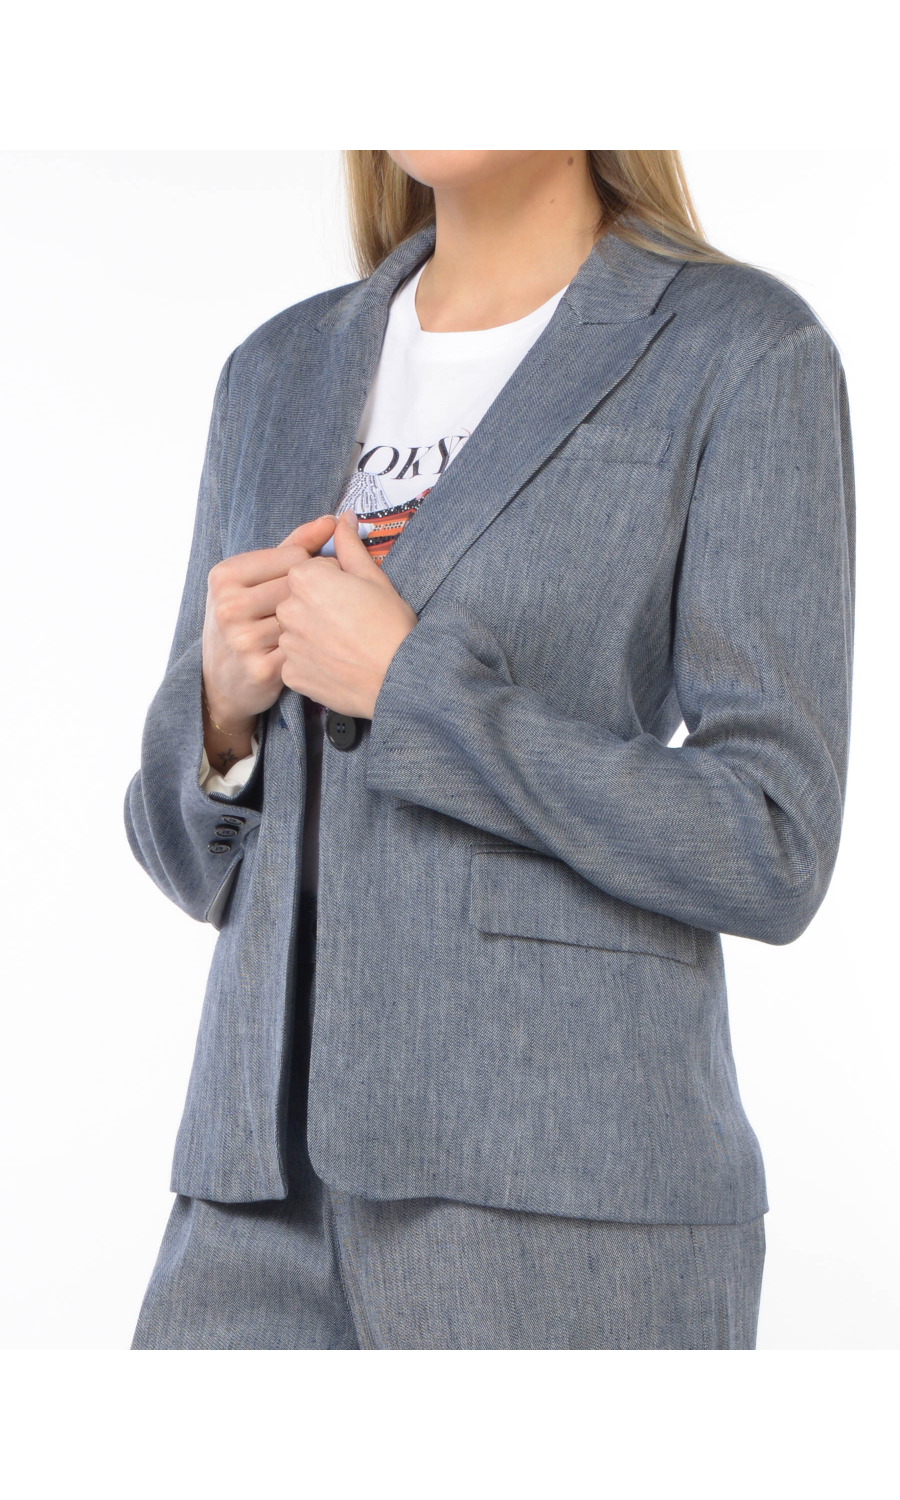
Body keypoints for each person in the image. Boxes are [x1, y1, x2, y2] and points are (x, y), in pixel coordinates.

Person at [125, 150, 855, 1349]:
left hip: (562, 1192)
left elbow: (772, 841)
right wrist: (216, 713)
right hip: (249, 1190)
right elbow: (188, 861)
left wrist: (416, 691)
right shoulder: (275, 368)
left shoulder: (742, 348)